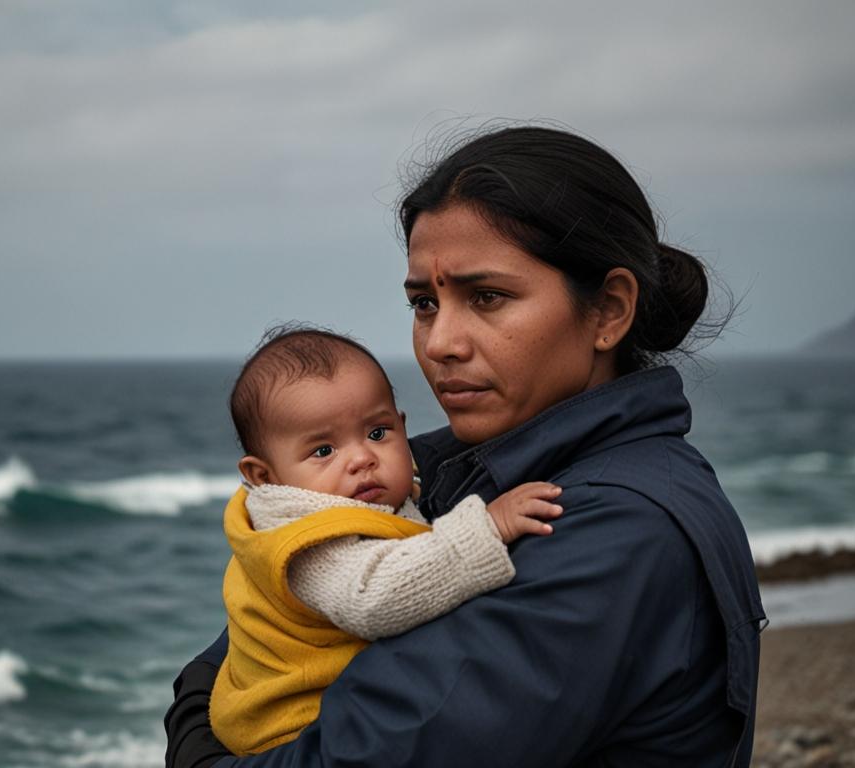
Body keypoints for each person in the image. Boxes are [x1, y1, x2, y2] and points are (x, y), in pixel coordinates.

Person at [165, 125, 765, 767]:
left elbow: (368, 754)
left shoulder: (617, 534)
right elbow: (273, 611)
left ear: (609, 312)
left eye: (488, 297)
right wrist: (198, 704)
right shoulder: (449, 466)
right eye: (425, 303)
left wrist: (197, 745)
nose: (439, 342)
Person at [213, 325, 562, 755]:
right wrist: (486, 528)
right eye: (323, 451)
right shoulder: (310, 540)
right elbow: (373, 599)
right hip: (297, 731)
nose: (362, 458)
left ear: (402, 426)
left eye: (377, 434)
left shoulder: (363, 501)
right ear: (263, 476)